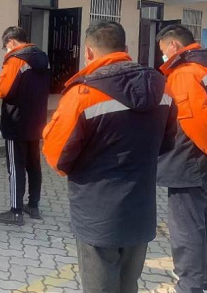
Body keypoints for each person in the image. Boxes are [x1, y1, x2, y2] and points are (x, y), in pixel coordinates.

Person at [42, 21, 176, 293]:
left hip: (98, 214)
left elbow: (57, 156)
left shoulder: (83, 94)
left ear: (88, 52)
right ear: (125, 49)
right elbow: (166, 143)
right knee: (128, 285)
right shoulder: (163, 88)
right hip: (140, 210)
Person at [156, 25, 207, 293]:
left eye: (163, 50)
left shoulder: (185, 73)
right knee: (200, 222)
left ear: (173, 46)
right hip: (199, 160)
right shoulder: (202, 67)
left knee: (186, 228)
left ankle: (190, 285)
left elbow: (195, 121)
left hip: (189, 161)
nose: (163, 56)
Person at [0, 26, 50, 225]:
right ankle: (33, 205)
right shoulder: (43, 58)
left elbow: (1, 90)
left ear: (12, 41)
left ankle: (16, 212)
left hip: (16, 121)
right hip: (37, 120)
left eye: (6, 46)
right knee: (34, 165)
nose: (6, 50)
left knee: (16, 167)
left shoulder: (16, 60)